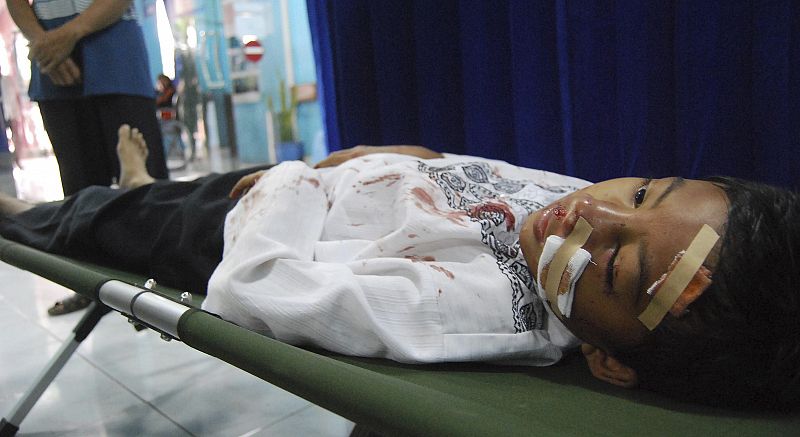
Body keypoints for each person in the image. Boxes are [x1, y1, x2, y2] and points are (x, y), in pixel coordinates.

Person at [0, 140, 797, 410]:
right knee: (131, 198)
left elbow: (248, 290)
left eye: (618, 262)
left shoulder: (473, 314)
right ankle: (132, 181)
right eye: (641, 190)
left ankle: (26, 210)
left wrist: (290, 181)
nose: (589, 215)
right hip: (333, 179)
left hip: (241, 219)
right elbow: (495, 177)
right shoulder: (578, 220)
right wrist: (413, 152)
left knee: (99, 224)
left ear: (610, 359)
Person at [7, 0, 171, 315]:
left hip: (114, 44)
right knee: (78, 185)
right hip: (50, 57)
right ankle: (91, 284)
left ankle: (164, 276)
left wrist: (69, 34)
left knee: (147, 187)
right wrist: (44, 44)